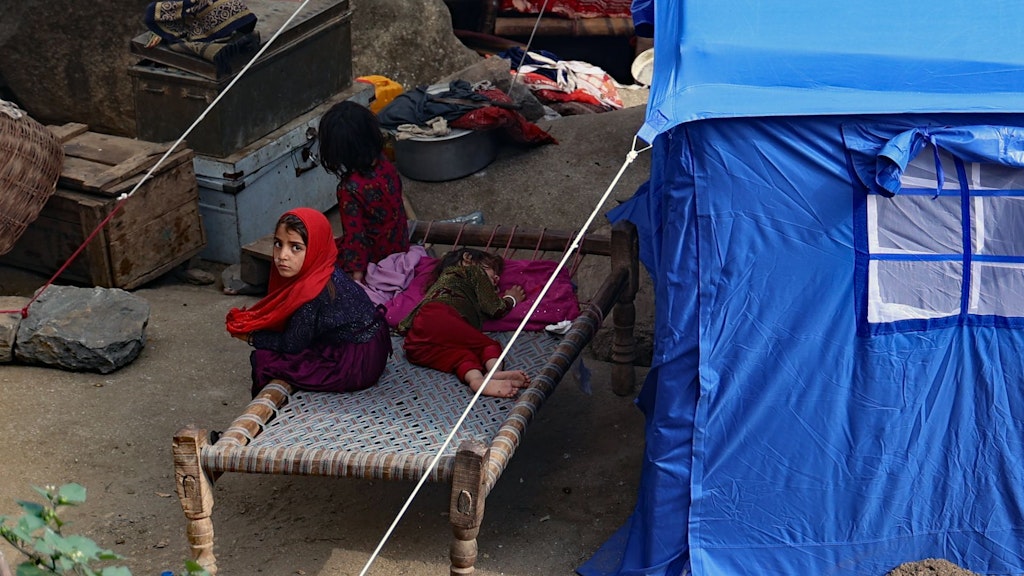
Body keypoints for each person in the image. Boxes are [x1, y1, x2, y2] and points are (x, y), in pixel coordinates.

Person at [226, 208, 392, 397]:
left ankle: (272, 423)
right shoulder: (322, 268)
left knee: (265, 360)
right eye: (278, 244)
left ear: (315, 248)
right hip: (366, 345)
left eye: (296, 247)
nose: (282, 255)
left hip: (357, 364)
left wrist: (250, 337)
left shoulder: (312, 292)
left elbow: (292, 345)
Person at [398, 248, 530, 398]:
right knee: (487, 345)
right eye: (491, 269)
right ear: (468, 259)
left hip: (416, 347)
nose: (497, 277)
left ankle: (477, 381)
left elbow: (406, 323)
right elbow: (495, 309)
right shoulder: (473, 272)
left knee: (463, 356)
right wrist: (511, 299)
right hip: (440, 317)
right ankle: (495, 373)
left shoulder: (439, 289)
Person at [318, 100, 409, 283]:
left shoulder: (349, 189)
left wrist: (357, 280)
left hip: (375, 261)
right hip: (400, 247)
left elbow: (355, 238)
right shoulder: (385, 165)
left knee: (318, 262)